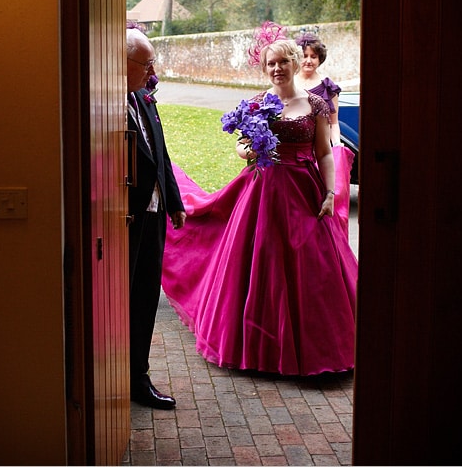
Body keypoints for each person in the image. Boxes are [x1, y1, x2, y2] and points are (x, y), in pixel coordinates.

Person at [161, 25, 358, 377]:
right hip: (262, 192)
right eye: (271, 64)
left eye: (283, 62)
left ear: (296, 63)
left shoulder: (314, 104)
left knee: (311, 270)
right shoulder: (257, 104)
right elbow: (240, 145)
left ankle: (318, 347)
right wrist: (246, 149)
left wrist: (330, 193)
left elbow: (325, 154)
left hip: (304, 193)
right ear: (265, 68)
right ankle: (258, 347)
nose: (277, 68)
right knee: (258, 264)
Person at [126, 25, 187, 409]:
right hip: (122, 219)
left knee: (147, 296)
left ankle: (138, 376)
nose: (153, 72)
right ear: (123, 62)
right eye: (146, 64)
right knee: (120, 298)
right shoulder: (101, 103)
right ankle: (114, 374)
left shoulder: (145, 97)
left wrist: (174, 199)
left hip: (155, 213)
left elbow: (160, 152)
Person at [294, 29, 356, 236]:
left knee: (322, 199)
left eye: (313, 56)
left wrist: (337, 146)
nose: (308, 61)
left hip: (320, 149)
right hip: (298, 150)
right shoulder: (290, 84)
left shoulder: (329, 88)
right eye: (304, 56)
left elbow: (333, 123)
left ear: (320, 59)